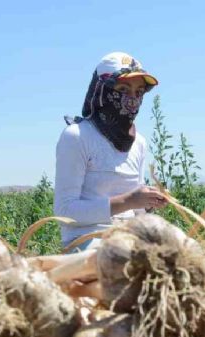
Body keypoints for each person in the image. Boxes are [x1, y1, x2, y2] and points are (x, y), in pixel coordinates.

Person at [54, 52, 167, 250]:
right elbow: (65, 212)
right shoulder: (77, 136)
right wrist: (128, 200)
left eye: (139, 91)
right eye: (123, 89)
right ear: (102, 91)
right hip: (86, 242)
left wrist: (147, 204)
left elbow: (136, 211)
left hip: (129, 239)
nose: (132, 99)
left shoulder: (138, 142)